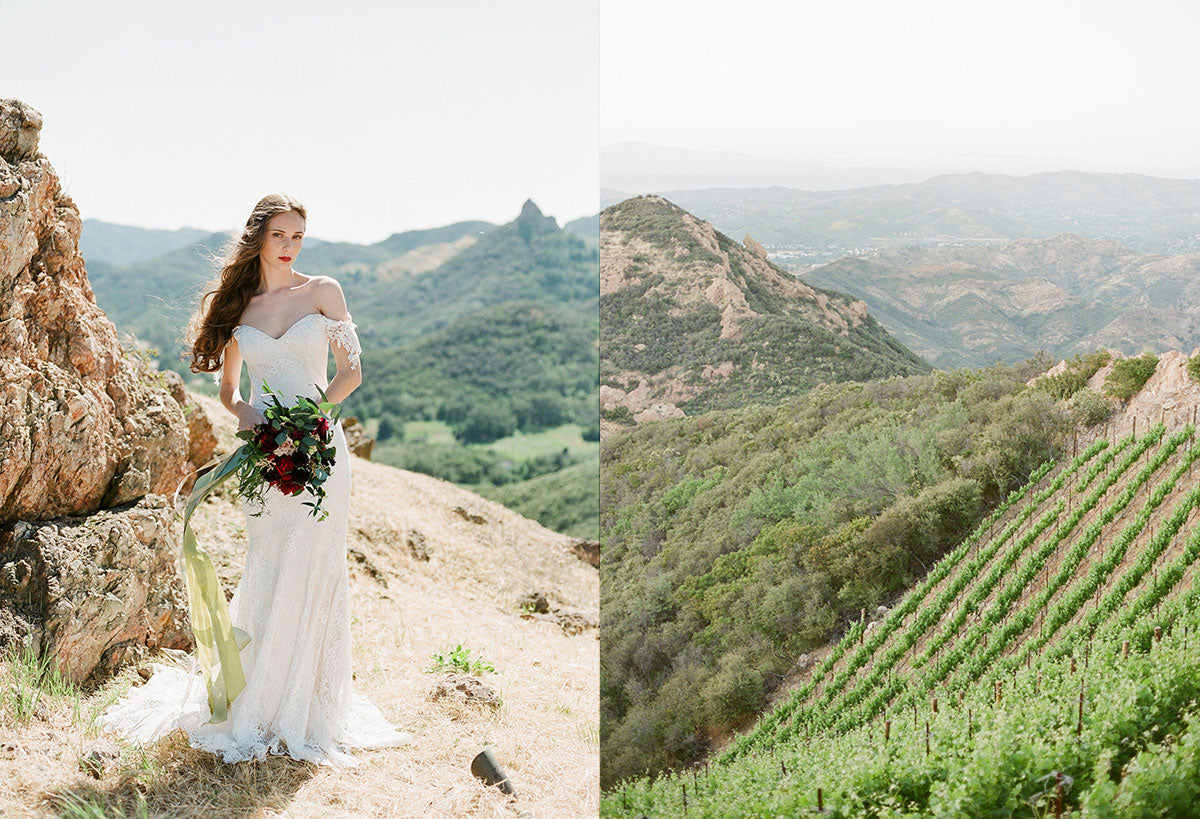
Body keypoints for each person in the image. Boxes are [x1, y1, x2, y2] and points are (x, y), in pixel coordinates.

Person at [98, 194, 412, 766]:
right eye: (280, 236)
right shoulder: (241, 309)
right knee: (269, 562)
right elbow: (228, 391)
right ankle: (256, 695)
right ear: (258, 239)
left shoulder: (323, 291)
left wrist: (308, 422)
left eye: (298, 236)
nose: (290, 247)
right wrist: (251, 419)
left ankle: (309, 704)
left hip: (319, 449)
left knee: (315, 561)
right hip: (267, 456)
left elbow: (352, 373)